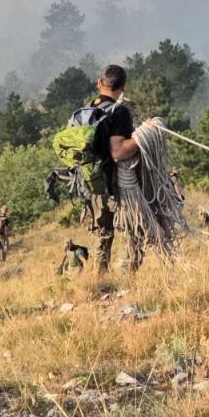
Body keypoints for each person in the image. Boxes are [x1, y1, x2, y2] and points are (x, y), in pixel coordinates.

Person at [87, 64, 140, 276]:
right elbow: (118, 151)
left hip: (92, 184)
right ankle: (125, 280)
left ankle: (99, 281)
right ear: (123, 88)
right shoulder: (119, 112)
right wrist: (142, 137)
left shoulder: (88, 110)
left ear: (99, 83)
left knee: (103, 235)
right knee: (133, 230)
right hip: (116, 186)